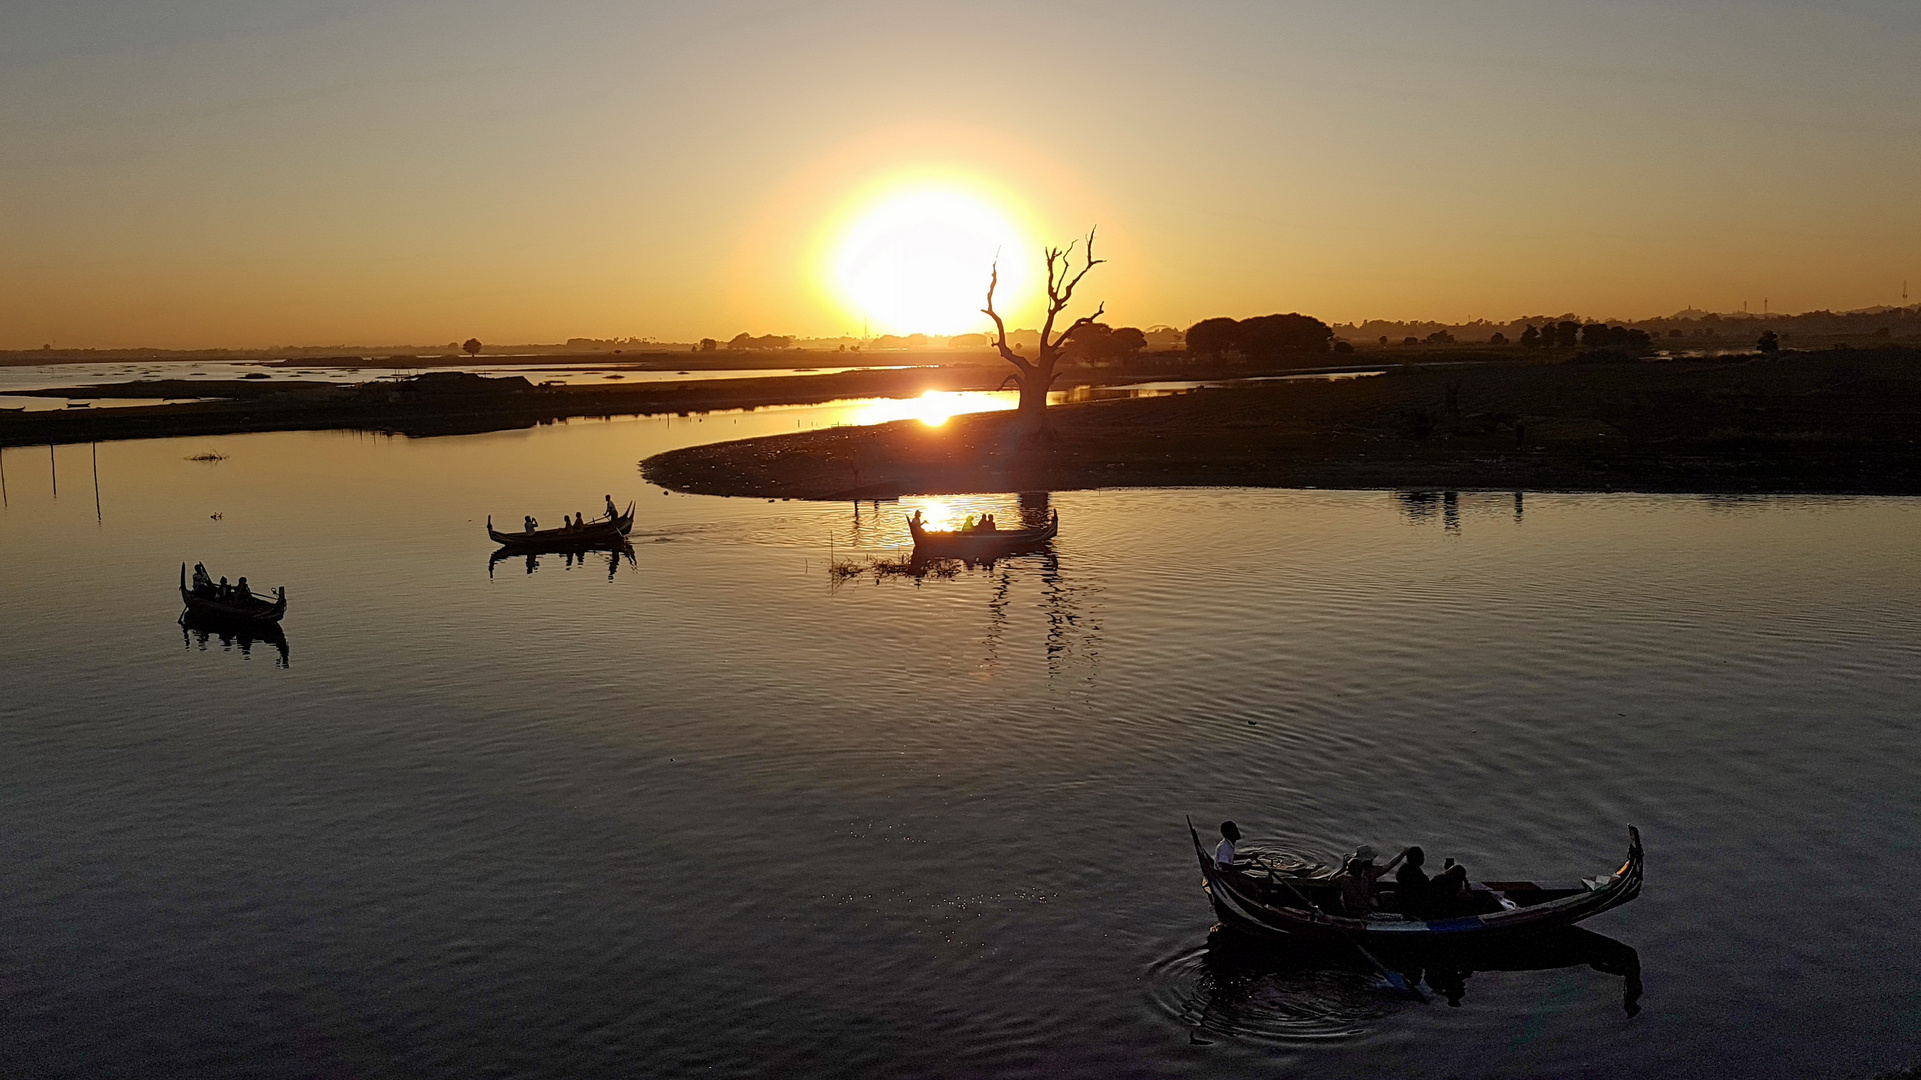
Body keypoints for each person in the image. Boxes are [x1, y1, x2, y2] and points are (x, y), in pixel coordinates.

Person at [1333, 844, 1408, 917]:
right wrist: (1403, 853)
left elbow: (1332, 879)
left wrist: (1343, 868)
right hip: (1368, 902)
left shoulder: (1345, 877)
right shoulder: (1374, 872)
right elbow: (1391, 864)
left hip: (1352, 905)